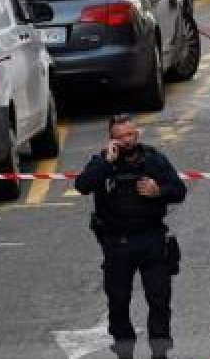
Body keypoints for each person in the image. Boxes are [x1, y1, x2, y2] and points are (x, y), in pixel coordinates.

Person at [75, 114, 186, 359]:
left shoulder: (152, 159)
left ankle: (160, 352)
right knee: (118, 302)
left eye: (131, 134)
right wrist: (106, 162)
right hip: (117, 243)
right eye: (122, 136)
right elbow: (82, 186)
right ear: (112, 139)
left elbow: (179, 190)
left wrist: (159, 191)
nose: (128, 140)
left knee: (159, 300)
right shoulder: (102, 163)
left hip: (151, 240)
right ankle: (124, 350)